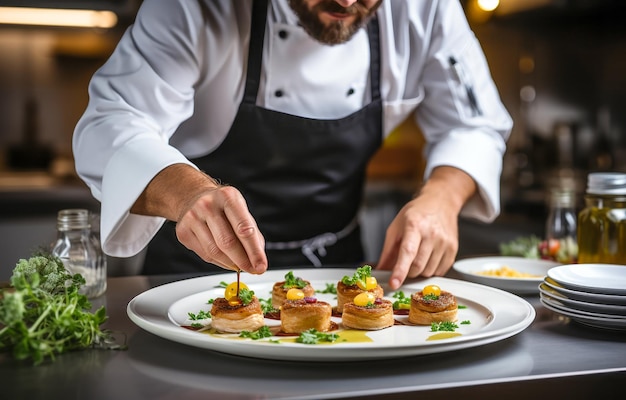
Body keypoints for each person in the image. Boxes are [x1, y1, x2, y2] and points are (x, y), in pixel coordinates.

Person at [73, 0, 512, 290]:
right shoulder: (196, 6)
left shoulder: (426, 8)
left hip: (340, 274)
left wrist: (441, 198)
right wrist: (188, 193)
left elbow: (474, 126)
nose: (345, 1)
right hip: (196, 274)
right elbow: (111, 121)